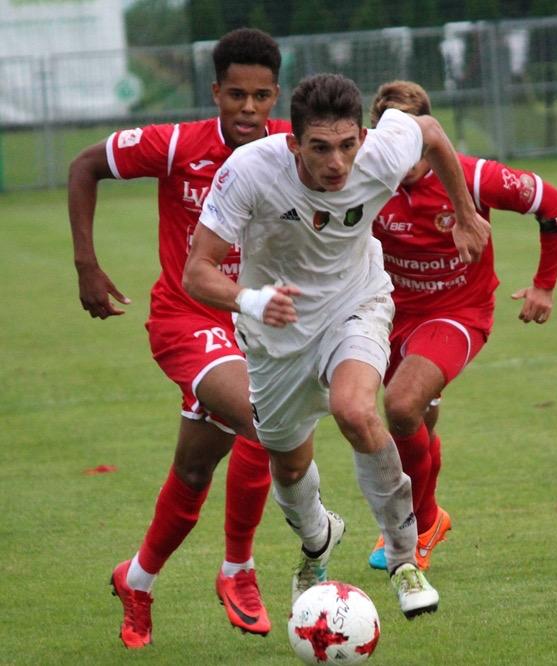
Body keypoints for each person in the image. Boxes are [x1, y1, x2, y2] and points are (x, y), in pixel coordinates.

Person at [181, 73, 491, 618]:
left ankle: (404, 560)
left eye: (348, 145)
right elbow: (197, 272)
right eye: (320, 148)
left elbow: (432, 132)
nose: (337, 163)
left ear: (363, 138)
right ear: (294, 143)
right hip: (276, 331)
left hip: (357, 302)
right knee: (288, 465)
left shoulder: (382, 151)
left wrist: (465, 214)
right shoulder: (249, 171)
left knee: (356, 410)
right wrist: (251, 300)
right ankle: (317, 541)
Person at [68, 28, 288, 646]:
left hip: (255, 330)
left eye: (261, 96)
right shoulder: (175, 145)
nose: (248, 109)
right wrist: (86, 264)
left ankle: (136, 579)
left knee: (193, 472)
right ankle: (238, 570)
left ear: (276, 96)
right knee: (266, 418)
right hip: (186, 321)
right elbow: (85, 164)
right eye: (236, 95)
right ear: (216, 92)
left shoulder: (293, 148)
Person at [363, 80, 557, 571]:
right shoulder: (364, 175)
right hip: (387, 313)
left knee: (401, 404)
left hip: (456, 313)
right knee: (416, 423)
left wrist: (544, 285)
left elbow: (554, 204)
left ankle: (416, 526)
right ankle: (425, 517)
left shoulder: (475, 177)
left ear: (428, 134)